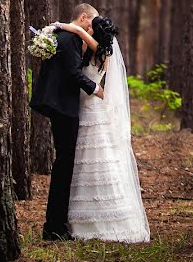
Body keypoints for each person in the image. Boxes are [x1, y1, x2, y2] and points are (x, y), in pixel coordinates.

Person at [54, 15, 150, 243]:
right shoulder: (98, 50)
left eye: (90, 27)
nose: (87, 29)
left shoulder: (101, 50)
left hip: (91, 108)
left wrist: (64, 27)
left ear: (95, 31)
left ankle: (101, 219)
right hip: (85, 106)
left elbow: (79, 34)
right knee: (85, 159)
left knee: (95, 157)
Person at [29, 3, 104, 241]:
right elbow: (73, 72)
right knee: (64, 166)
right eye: (91, 25)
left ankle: (55, 224)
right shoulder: (69, 39)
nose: (91, 31)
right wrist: (95, 89)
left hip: (57, 105)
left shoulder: (58, 35)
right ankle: (54, 227)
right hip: (64, 108)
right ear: (83, 18)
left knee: (63, 164)